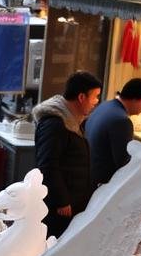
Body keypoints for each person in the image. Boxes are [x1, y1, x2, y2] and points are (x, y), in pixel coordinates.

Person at [33, 69, 102, 238]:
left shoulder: (73, 121)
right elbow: (47, 165)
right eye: (95, 96)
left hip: (73, 202)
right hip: (59, 208)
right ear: (81, 97)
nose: (96, 102)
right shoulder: (55, 124)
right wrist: (62, 200)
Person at [84, 77, 141, 187]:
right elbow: (125, 163)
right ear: (135, 99)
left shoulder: (106, 105)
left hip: (88, 173)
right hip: (101, 184)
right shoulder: (121, 121)